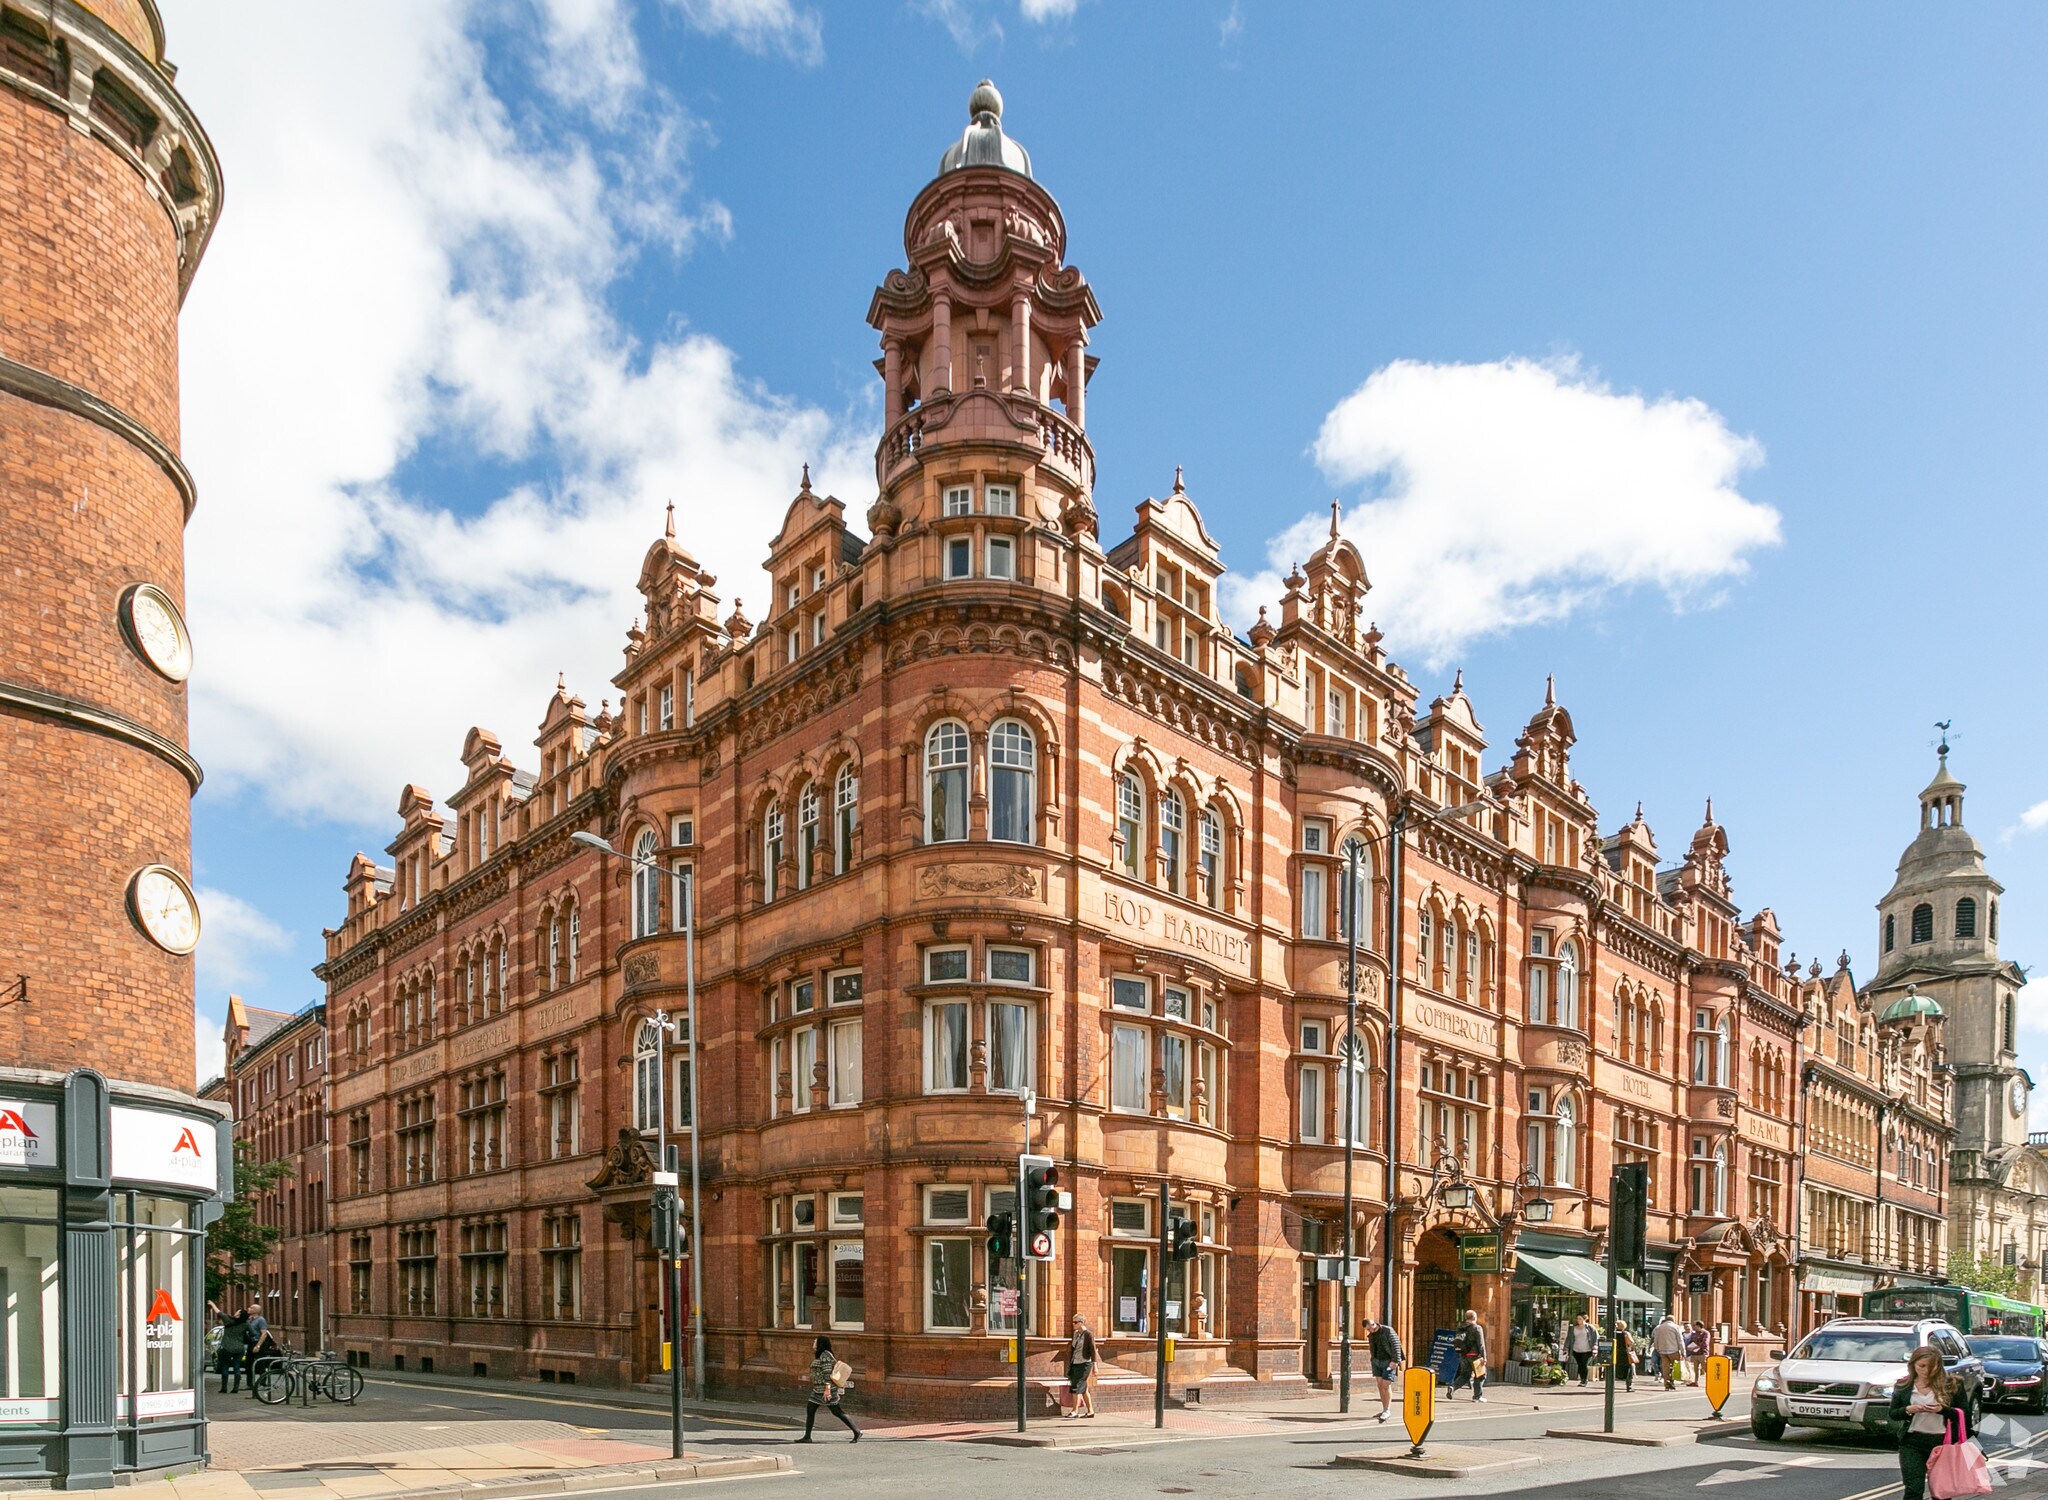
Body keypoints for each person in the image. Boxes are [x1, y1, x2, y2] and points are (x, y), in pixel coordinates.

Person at [1890, 1344, 1959, 1500]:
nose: (1926, 1371)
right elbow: (1893, 1414)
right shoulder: (1903, 1385)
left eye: (1932, 1367)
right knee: (1913, 1490)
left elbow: (1963, 1415)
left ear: (1939, 1366)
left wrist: (1942, 1410)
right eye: (1922, 1366)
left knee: (1941, 1493)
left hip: (1942, 1443)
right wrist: (1909, 1409)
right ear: (1913, 1364)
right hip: (1912, 1442)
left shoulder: (1952, 1384)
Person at [798, 1335, 859, 1443]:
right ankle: (807, 1436)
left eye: (815, 1342)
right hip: (818, 1390)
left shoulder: (825, 1355)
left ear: (820, 1344)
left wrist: (828, 1390)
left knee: (837, 1412)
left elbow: (827, 1374)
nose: (813, 1343)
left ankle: (857, 1431)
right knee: (811, 1410)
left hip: (824, 1390)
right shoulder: (821, 1355)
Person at [1364, 1317, 1404, 1423]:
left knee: (1386, 1385)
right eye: (1368, 1330)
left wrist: (1395, 1361)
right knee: (1380, 1385)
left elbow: (1396, 1345)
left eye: (1371, 1328)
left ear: (1374, 1324)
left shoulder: (1387, 1330)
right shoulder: (1371, 1335)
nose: (1370, 1331)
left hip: (1388, 1361)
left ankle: (1387, 1410)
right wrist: (1373, 1360)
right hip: (1377, 1361)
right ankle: (1384, 1409)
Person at [1065, 1315, 1097, 1419]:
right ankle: (1090, 1411)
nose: (1073, 1324)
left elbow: (1093, 1350)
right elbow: (1073, 1348)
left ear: (1082, 1322)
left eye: (1075, 1322)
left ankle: (1074, 1411)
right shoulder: (1075, 1334)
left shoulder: (1088, 1334)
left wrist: (1095, 1366)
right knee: (1083, 1388)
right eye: (1073, 1322)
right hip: (1075, 1363)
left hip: (1085, 1364)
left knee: (1076, 1386)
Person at [244, 1311, 280, 1395]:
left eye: (252, 1307)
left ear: (256, 1311)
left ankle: (263, 1382)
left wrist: (258, 1345)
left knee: (260, 1363)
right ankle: (249, 1383)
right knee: (248, 1363)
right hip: (250, 1343)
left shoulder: (261, 1320)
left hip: (258, 1343)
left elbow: (264, 1334)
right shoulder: (249, 1320)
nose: (249, 1308)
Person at [1456, 1311, 1488, 1402]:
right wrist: (1484, 1357)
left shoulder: (1461, 1328)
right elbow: (1481, 1344)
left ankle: (1452, 1387)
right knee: (1481, 1375)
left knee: (1464, 1375)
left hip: (1463, 1355)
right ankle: (1477, 1397)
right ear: (1475, 1317)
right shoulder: (1477, 1328)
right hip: (1475, 1356)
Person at [217, 1308, 250, 1394]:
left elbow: (219, 1312)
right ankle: (236, 1388)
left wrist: (212, 1304)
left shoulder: (228, 1320)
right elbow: (254, 1333)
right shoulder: (245, 1324)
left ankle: (224, 1388)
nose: (235, 1312)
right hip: (239, 1348)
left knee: (225, 1367)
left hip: (227, 1347)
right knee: (237, 1367)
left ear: (238, 1315)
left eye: (237, 1311)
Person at [1651, 1312, 1686, 1390]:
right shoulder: (1676, 1327)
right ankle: (1672, 1382)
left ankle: (1666, 1384)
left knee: (1665, 1368)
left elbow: (1655, 1339)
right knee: (1675, 1367)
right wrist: (1683, 1352)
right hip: (1674, 1350)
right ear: (1673, 1320)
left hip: (1662, 1350)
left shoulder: (1659, 1327)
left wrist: (1657, 1349)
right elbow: (1680, 1340)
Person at [1566, 1315, 1599, 1386]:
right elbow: (1569, 1338)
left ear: (1584, 1319)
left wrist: (1595, 1346)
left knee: (1584, 1364)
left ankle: (1584, 1380)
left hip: (1587, 1349)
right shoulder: (1573, 1328)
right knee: (1580, 1365)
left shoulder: (1590, 1328)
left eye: (1580, 1319)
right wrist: (1566, 1348)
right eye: (1577, 1318)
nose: (1578, 1320)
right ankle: (1582, 1379)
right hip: (1576, 1349)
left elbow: (1596, 1338)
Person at [1609, 1321, 1635, 1394]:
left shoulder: (1612, 1334)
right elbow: (1631, 1342)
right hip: (1624, 1354)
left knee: (1614, 1368)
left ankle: (1611, 1386)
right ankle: (1629, 1386)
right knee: (1629, 1369)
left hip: (1615, 1353)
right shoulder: (1625, 1334)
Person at [1683, 1321, 1709, 1387]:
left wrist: (1695, 1347)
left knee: (1705, 1368)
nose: (1693, 1327)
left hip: (1702, 1353)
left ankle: (1711, 1381)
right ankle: (1695, 1382)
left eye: (1694, 1325)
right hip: (1694, 1353)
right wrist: (1688, 1347)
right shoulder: (1694, 1333)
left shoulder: (1705, 1333)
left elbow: (1705, 1343)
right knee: (1694, 1369)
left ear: (1698, 1326)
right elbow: (1691, 1341)